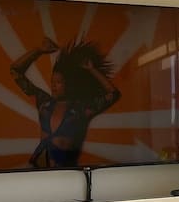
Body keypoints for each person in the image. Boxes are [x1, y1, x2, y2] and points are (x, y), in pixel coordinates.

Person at [10, 37, 121, 168]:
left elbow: (113, 94)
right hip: (36, 170)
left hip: (64, 174)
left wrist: (92, 69)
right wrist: (38, 50)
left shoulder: (81, 109)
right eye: (52, 81)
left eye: (58, 82)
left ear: (69, 84)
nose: (53, 86)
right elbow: (15, 71)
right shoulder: (44, 102)